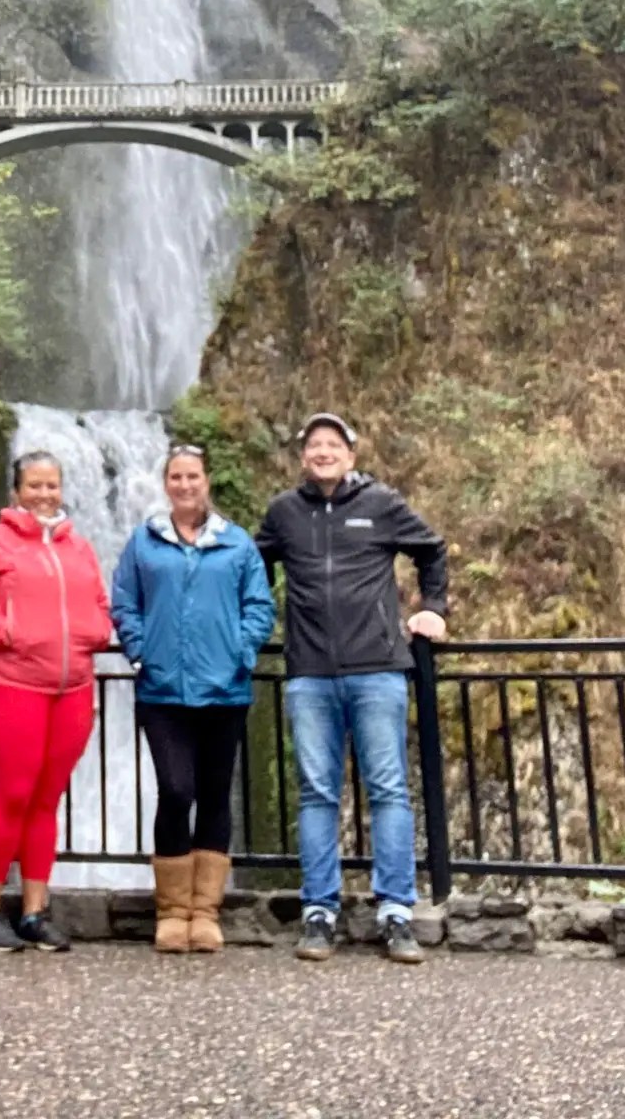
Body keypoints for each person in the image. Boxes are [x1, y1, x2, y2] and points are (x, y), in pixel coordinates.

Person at [255, 411, 448, 965]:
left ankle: (396, 913)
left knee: (388, 789)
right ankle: (319, 912)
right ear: (302, 456)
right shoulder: (284, 514)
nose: (322, 451)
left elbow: (431, 550)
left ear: (351, 455)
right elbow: (250, 566)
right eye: (313, 444)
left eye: (332, 444)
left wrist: (431, 609)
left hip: (378, 669)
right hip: (310, 673)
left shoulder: (381, 504)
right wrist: (251, 623)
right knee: (317, 792)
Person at [111, 444, 275, 954]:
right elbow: (123, 601)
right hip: (162, 691)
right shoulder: (145, 542)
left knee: (214, 794)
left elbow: (260, 605)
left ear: (207, 482)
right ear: (166, 483)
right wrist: (140, 653)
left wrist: (241, 653)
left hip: (224, 690)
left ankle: (205, 912)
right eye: (176, 476)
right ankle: (171, 911)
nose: (185, 484)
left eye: (193, 476)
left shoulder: (237, 544)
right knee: (176, 789)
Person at [0, 448, 112, 953]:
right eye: (34, 486)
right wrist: (8, 634)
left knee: (47, 800)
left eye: (52, 486)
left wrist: (95, 633)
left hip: (73, 688)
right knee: (14, 796)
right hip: (14, 684)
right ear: (16, 491)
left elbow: (100, 607)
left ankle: (35, 912)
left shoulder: (79, 548)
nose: (44, 495)